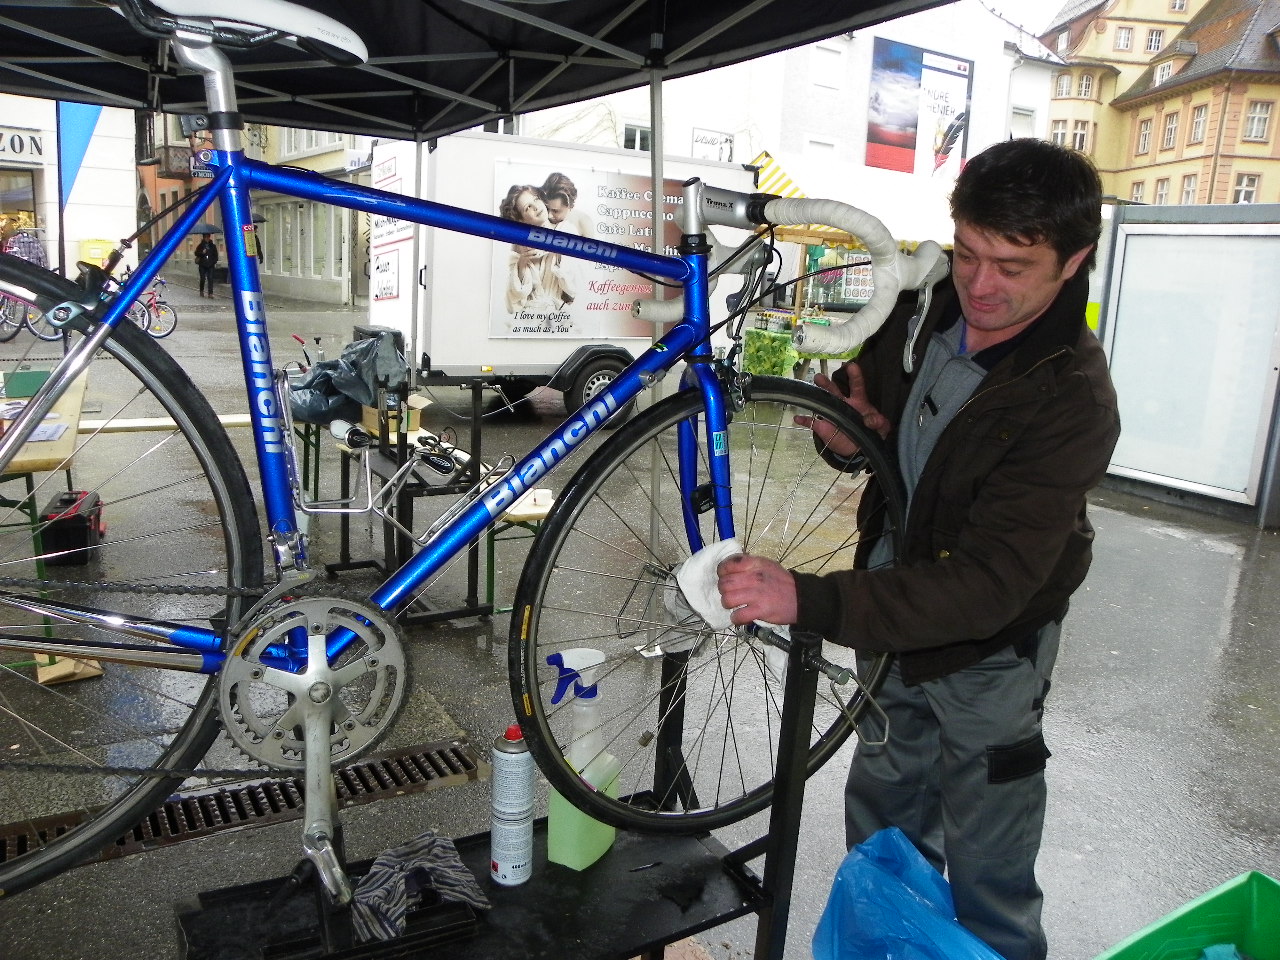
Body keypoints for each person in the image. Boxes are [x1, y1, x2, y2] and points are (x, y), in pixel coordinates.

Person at [716, 139, 1120, 960]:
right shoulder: (922, 306)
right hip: (891, 617)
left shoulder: (1072, 398)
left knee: (990, 872)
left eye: (1013, 266)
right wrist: (850, 436)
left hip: (989, 653)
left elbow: (989, 585)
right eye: (968, 253)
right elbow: (883, 432)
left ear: (1073, 261)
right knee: (884, 835)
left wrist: (810, 599)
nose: (980, 285)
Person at [498, 184, 579, 314]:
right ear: (521, 220)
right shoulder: (520, 250)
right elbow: (512, 305)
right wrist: (522, 262)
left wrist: (555, 248)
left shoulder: (567, 231)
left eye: (536, 199)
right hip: (529, 320)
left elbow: (574, 289)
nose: (536, 206)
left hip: (562, 317)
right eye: (528, 207)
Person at [539, 172, 595, 238]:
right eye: (547, 208)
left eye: (555, 211)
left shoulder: (583, 222)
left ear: (569, 206)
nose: (549, 215)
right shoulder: (539, 218)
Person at [194, 232, 219, 297]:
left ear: (209, 237)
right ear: (203, 238)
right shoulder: (200, 246)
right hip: (202, 265)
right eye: (205, 237)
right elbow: (196, 253)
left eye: (208, 237)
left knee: (210, 279)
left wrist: (213, 262)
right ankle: (201, 291)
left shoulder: (213, 246)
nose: (207, 238)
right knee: (202, 278)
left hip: (210, 265)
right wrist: (202, 253)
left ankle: (210, 293)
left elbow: (216, 256)